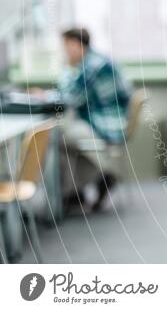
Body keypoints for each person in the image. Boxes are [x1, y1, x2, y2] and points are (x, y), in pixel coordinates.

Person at [58, 27, 132, 212]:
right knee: (69, 136)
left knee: (59, 138)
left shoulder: (91, 66)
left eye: (66, 47)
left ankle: (81, 188)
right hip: (114, 119)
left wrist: (66, 70)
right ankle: (84, 187)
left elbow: (70, 99)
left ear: (77, 45)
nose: (64, 52)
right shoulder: (97, 60)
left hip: (106, 123)